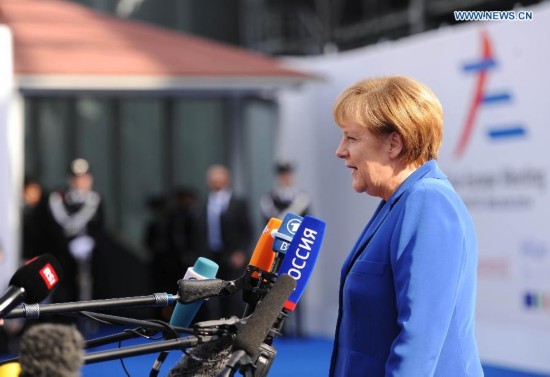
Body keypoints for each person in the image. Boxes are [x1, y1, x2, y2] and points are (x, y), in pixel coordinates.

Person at [329, 76, 483, 376]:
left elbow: (419, 341)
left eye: (351, 138)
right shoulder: (397, 203)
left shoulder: (428, 202)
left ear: (394, 143)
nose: (340, 151)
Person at [195, 164, 253, 320]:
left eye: (219, 178)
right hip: (211, 255)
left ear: (227, 180)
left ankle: (234, 325)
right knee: (212, 293)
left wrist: (241, 252)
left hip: (233, 256)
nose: (216, 182)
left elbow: (247, 231)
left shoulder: (238, 203)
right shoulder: (205, 203)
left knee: (232, 293)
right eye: (213, 179)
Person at [45, 158, 105, 308]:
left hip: (88, 257)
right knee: (64, 291)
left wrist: (89, 242)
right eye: (77, 178)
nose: (80, 182)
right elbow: (56, 226)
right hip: (64, 256)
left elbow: (98, 228)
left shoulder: (94, 199)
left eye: (84, 178)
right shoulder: (59, 199)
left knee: (89, 288)